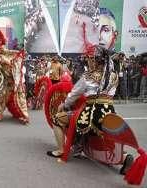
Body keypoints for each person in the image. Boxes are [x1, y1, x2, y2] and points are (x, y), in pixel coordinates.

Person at [46, 45, 133, 175]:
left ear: (95, 60)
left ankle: (61, 150)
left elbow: (73, 95)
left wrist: (63, 104)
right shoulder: (113, 76)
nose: (88, 61)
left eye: (89, 59)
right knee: (105, 140)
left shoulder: (88, 76)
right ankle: (124, 157)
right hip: (109, 112)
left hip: (91, 113)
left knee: (58, 119)